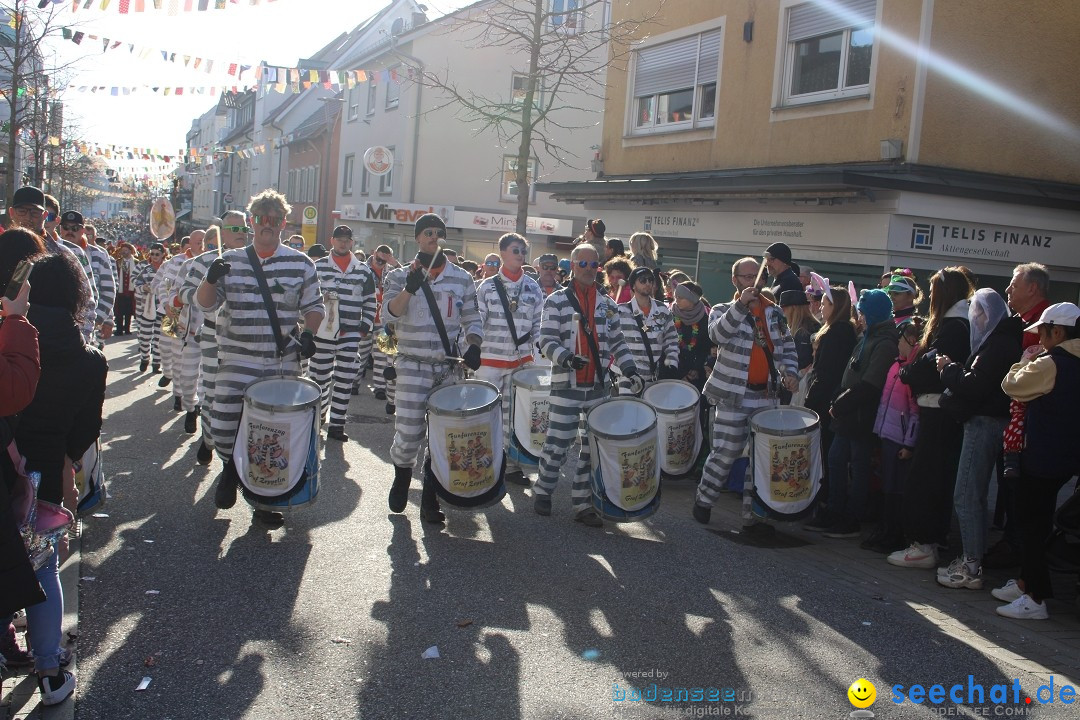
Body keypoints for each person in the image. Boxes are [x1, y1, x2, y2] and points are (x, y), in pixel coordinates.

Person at [197, 189, 324, 529]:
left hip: (279, 359)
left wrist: (308, 335)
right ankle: (229, 466)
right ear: (251, 222)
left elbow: (314, 307)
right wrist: (210, 278)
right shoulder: (231, 260)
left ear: (284, 223)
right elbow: (205, 304)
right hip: (237, 354)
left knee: (271, 436)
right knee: (223, 424)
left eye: (274, 220)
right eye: (260, 219)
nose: (267, 226)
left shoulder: (301, 263)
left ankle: (264, 502)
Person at [14, 252, 108, 706]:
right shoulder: (89, 361)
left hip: (3, 461)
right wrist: (69, 468)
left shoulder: (9, 338)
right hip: (46, 471)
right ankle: (49, 671)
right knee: (42, 568)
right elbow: (86, 429)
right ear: (76, 297)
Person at [384, 213, 483, 523]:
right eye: (427, 232)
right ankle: (402, 476)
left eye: (438, 232)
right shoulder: (399, 276)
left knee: (442, 435)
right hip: (412, 364)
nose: (433, 236)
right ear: (417, 238)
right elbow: (389, 315)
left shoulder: (461, 278)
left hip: (447, 367)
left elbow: (471, 318)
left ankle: (430, 499)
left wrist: (475, 345)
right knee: (410, 431)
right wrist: (409, 289)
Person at [534, 243, 640, 528]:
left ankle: (583, 503)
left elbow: (618, 341)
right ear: (572, 266)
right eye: (583, 264)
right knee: (558, 441)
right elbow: (546, 340)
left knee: (591, 447)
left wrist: (630, 367)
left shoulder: (608, 304)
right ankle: (544, 489)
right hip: (566, 383)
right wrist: (566, 358)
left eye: (594, 266)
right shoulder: (556, 301)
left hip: (599, 386)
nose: (589, 270)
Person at [694, 257, 799, 531]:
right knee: (725, 453)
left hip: (766, 396)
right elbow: (718, 335)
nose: (753, 281)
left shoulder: (774, 313)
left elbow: (787, 347)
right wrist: (741, 305)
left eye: (756, 276)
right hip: (732, 395)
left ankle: (754, 516)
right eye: (746, 276)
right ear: (735, 280)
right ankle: (704, 499)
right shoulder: (722, 309)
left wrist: (791, 373)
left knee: (760, 458)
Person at [995, 302, 1080, 620]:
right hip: (1066, 455)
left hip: (1040, 453)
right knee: (1039, 521)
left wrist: (1021, 363)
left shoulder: (1052, 362)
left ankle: (1034, 596)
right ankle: (1025, 582)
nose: (1039, 340)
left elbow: (1011, 386)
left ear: (1057, 331)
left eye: (1043, 333)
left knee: (1030, 523)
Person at [935, 288, 1022, 590]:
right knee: (974, 494)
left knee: (967, 494)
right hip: (989, 420)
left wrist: (948, 370)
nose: (975, 318)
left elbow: (976, 386)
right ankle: (972, 557)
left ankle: (971, 564)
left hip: (985, 422)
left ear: (991, 314)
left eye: (979, 312)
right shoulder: (1002, 340)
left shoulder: (997, 343)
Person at [888, 267, 973, 569]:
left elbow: (927, 366)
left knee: (926, 479)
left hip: (939, 411)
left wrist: (911, 371)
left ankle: (924, 544)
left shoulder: (953, 327)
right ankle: (930, 541)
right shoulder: (958, 325)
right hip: (938, 411)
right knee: (934, 477)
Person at [822, 290, 898, 539]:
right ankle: (834, 510)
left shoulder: (884, 342)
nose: (860, 318)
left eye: (863, 314)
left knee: (858, 464)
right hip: (848, 412)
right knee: (835, 459)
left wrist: (842, 403)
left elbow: (870, 384)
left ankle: (851, 517)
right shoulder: (867, 337)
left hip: (861, 414)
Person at [177, 216, 251, 464]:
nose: (241, 233)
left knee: (240, 396)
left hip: (243, 338)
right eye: (235, 228)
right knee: (211, 392)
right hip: (211, 335)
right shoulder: (203, 261)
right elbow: (184, 292)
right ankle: (208, 439)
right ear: (222, 233)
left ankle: (231, 457)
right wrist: (208, 284)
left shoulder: (253, 260)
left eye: (244, 228)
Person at [475, 233, 545, 486]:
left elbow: (539, 326)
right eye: (515, 250)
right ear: (503, 252)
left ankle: (512, 466)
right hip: (490, 362)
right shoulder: (486, 287)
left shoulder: (533, 288)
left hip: (520, 363)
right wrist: (470, 351)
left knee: (515, 417)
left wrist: (534, 359)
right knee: (487, 415)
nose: (520, 255)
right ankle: (485, 462)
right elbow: (476, 323)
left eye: (523, 251)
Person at [309, 225, 376, 442]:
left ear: (352, 242)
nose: (343, 243)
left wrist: (364, 326)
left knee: (345, 378)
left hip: (350, 332)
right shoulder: (317, 267)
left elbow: (370, 301)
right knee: (319, 377)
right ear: (332, 240)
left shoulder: (363, 270)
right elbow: (308, 297)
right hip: (323, 332)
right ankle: (317, 417)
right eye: (339, 239)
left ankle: (337, 424)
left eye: (347, 240)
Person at [863, 316, 923, 553]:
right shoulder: (894, 367)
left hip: (899, 439)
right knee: (887, 485)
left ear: (909, 340)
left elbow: (916, 412)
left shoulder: (911, 371)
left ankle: (894, 533)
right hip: (886, 433)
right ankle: (885, 529)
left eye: (899, 340)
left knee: (896, 488)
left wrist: (909, 443)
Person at [802, 281, 857, 532]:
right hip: (825, 398)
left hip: (826, 402)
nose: (821, 307)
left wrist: (811, 401)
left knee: (826, 455)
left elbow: (828, 373)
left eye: (824, 303)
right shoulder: (837, 330)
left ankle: (827, 506)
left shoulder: (839, 332)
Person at [154, 232, 206, 414]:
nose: (201, 244)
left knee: (196, 365)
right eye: (198, 242)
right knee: (173, 355)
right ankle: (177, 392)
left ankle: (194, 403)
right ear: (189, 243)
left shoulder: (210, 261)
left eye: (203, 241)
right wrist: (167, 305)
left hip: (198, 323)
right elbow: (163, 285)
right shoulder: (175, 262)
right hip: (173, 316)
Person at [615, 266, 678, 391]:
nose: (648, 283)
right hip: (626, 376)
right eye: (643, 280)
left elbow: (671, 340)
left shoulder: (663, 310)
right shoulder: (620, 311)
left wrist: (672, 362)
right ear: (633, 285)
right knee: (629, 409)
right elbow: (611, 341)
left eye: (650, 280)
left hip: (653, 376)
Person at [355, 244, 400, 412]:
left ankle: (380, 387)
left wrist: (394, 263)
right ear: (373, 254)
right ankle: (354, 383)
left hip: (384, 321)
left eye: (384, 259)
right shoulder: (362, 269)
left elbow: (407, 278)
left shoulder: (393, 271)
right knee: (361, 351)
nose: (380, 262)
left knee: (383, 355)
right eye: (378, 258)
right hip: (365, 318)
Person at [61, 214, 115, 346]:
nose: (70, 231)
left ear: (82, 230)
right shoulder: (52, 251)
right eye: (66, 227)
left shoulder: (98, 255)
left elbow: (108, 290)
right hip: (59, 323)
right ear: (60, 228)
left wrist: (101, 319)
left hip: (88, 324)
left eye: (75, 228)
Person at [670, 280, 714, 391]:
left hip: (696, 374)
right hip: (673, 370)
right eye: (676, 296)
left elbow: (705, 348)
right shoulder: (670, 315)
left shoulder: (704, 319)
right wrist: (682, 373)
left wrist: (696, 368)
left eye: (681, 297)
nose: (677, 300)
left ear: (692, 300)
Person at [132, 243, 167, 374]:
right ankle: (144, 358)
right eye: (152, 254)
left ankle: (156, 363)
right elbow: (137, 284)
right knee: (145, 336)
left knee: (158, 338)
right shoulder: (146, 270)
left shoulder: (168, 268)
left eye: (157, 254)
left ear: (163, 254)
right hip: (146, 307)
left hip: (162, 308)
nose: (154, 256)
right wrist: (144, 288)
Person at [779, 289, 820, 374]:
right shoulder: (816, 326)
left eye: (784, 309)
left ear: (793, 308)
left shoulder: (804, 332)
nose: (782, 313)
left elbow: (800, 362)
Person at [113, 242, 138, 335]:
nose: (124, 252)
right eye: (122, 250)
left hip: (131, 291)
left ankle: (127, 329)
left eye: (126, 250)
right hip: (120, 291)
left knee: (129, 311)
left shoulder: (136, 262)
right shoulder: (118, 262)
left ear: (131, 251)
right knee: (119, 311)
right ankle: (119, 329)